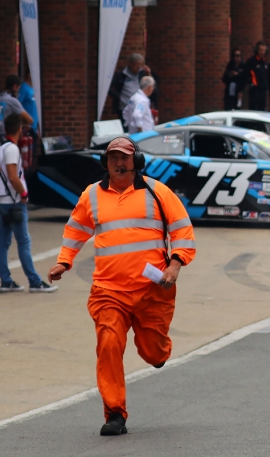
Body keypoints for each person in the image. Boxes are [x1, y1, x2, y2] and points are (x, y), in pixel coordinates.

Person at [48, 136, 195, 436]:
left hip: (152, 291)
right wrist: (64, 261)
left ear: (136, 161)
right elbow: (76, 229)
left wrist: (175, 264)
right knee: (109, 345)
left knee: (154, 354)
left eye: (125, 157)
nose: (119, 163)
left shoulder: (157, 192)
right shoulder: (92, 195)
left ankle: (159, 350)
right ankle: (115, 413)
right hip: (108, 291)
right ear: (106, 162)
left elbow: (182, 229)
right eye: (113, 157)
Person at [0, 114, 56, 293]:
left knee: (3, 241)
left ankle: (6, 280)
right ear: (20, 129)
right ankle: (34, 281)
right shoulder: (11, 149)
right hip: (13, 201)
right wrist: (23, 193)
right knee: (23, 241)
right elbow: (12, 176)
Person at [0, 75, 32, 141]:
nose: (18, 92)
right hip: (6, 138)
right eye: (18, 88)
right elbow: (29, 120)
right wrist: (21, 124)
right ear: (14, 87)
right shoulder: (12, 100)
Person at [108, 54, 150, 119]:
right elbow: (109, 88)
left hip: (139, 107)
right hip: (125, 108)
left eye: (140, 64)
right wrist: (119, 96)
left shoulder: (142, 74)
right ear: (130, 64)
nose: (138, 67)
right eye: (136, 64)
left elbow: (150, 87)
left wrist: (148, 75)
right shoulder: (121, 75)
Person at [243, 41, 270, 110]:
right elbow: (246, 74)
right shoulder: (251, 61)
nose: (262, 52)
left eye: (263, 50)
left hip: (263, 90)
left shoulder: (264, 62)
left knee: (262, 109)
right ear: (256, 50)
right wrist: (251, 83)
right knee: (254, 108)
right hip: (255, 90)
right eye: (260, 50)